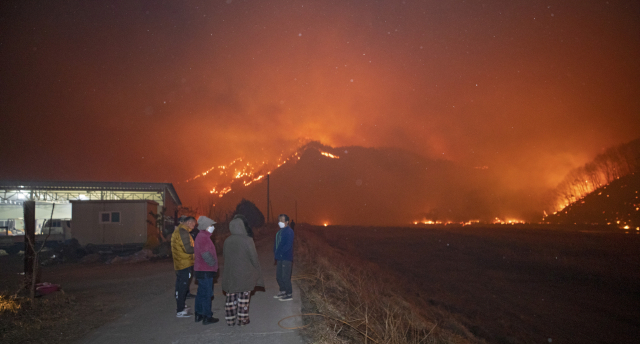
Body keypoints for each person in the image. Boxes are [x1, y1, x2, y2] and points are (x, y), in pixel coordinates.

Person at [222, 217, 264, 326]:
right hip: (245, 274)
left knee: (231, 297)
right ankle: (242, 319)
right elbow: (254, 258)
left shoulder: (227, 240)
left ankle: (230, 320)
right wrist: (257, 271)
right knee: (243, 298)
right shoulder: (248, 240)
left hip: (231, 274)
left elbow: (225, 256)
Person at [193, 216, 219, 325]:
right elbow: (206, 254)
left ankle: (199, 313)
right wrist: (213, 264)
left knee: (201, 292)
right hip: (205, 270)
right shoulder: (203, 237)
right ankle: (207, 316)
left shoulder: (201, 236)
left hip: (201, 269)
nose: (212, 227)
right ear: (205, 226)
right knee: (207, 294)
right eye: (211, 225)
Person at [171, 216, 196, 317]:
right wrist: (198, 247)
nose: (194, 227)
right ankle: (180, 310)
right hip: (184, 263)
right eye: (193, 224)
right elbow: (188, 249)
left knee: (180, 285)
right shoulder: (183, 232)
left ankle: (181, 306)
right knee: (183, 286)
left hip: (180, 262)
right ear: (189, 222)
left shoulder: (179, 231)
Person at [273, 214, 294, 301]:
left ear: (287, 222)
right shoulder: (280, 232)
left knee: (285, 276)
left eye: (282, 220)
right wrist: (276, 253)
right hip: (279, 257)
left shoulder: (289, 231)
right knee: (279, 276)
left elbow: (288, 245)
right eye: (279, 220)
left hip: (286, 257)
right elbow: (277, 244)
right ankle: (282, 291)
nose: (280, 222)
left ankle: (289, 294)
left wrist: (281, 253)